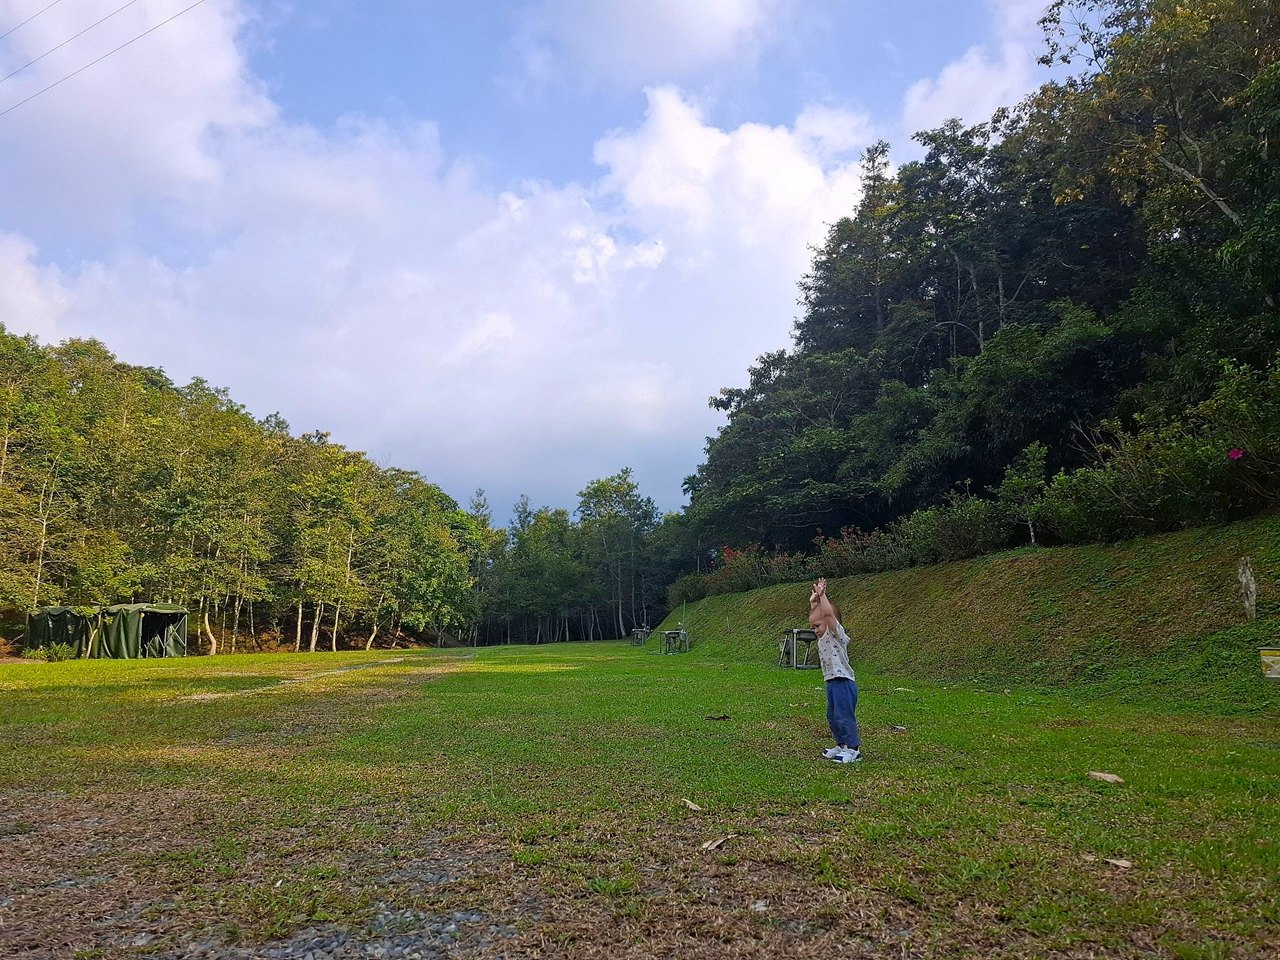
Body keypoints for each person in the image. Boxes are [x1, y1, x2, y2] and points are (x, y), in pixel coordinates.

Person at [809, 577, 861, 763]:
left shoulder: (836, 634)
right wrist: (814, 601)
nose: (815, 630)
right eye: (813, 627)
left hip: (843, 682)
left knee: (843, 716)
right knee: (832, 716)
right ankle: (841, 745)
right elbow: (818, 614)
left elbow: (828, 616)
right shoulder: (823, 636)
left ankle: (853, 749)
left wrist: (823, 597)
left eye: (817, 626)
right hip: (832, 682)